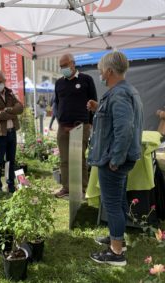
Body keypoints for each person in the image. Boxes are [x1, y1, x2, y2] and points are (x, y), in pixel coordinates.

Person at [87, 51, 143, 266]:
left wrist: (115, 159)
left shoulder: (119, 94)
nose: (100, 74)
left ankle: (116, 253)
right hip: (117, 157)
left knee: (111, 203)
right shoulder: (125, 91)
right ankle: (116, 238)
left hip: (114, 158)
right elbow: (117, 121)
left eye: (101, 70)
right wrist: (97, 108)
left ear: (109, 71)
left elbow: (125, 129)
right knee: (118, 200)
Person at [54, 53, 97, 198]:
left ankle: (82, 188)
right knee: (65, 159)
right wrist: (59, 119)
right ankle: (66, 187)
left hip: (80, 125)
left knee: (79, 159)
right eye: (61, 66)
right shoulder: (59, 83)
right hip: (63, 126)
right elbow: (57, 103)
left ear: (73, 64)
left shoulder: (86, 80)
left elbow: (93, 102)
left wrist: (90, 123)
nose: (63, 68)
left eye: (65, 65)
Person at [0, 70, 23, 193]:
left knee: (11, 160)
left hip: (11, 132)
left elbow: (20, 107)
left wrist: (8, 110)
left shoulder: (10, 93)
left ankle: (10, 184)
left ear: (4, 81)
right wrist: (12, 113)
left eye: (0, 81)